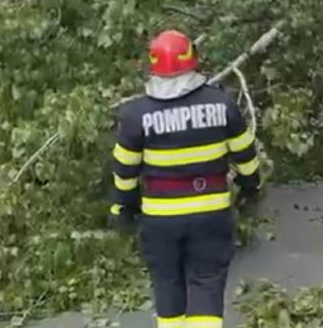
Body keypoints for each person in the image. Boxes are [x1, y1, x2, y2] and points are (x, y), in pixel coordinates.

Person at [110, 29, 261, 328]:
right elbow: (246, 155)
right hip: (211, 214)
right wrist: (250, 188)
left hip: (160, 219)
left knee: (167, 283)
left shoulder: (136, 115)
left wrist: (123, 208)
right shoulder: (222, 105)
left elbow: (124, 170)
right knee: (207, 282)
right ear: (193, 60)